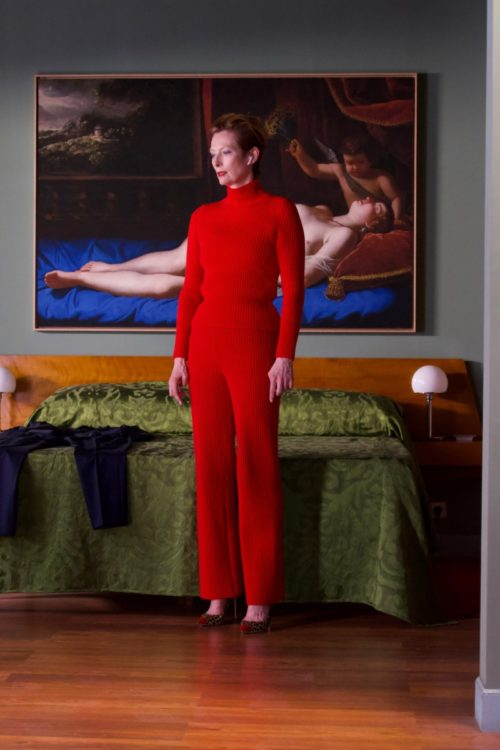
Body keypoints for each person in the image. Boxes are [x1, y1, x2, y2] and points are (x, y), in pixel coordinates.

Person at [168, 113, 305, 635]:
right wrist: (179, 357)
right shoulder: (203, 217)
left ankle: (260, 598)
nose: (216, 162)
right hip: (205, 345)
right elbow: (190, 291)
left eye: (225, 152)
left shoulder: (279, 211)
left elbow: (294, 290)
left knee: (256, 464)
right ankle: (219, 592)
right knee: (211, 466)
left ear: (251, 155)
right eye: (212, 154)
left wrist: (284, 355)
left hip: (256, 346)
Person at [44, 196, 392, 296]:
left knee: (171, 285)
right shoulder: (326, 210)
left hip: (250, 264)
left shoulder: (344, 235)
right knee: (176, 259)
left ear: (373, 224)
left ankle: (82, 278)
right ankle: (111, 268)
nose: (368, 199)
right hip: (237, 233)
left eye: (377, 206)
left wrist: (268, 279)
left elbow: (308, 273)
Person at [287, 132, 405, 220]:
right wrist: (299, 154)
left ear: (370, 160)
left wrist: (395, 220)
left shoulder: (381, 179)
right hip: (355, 222)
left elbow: (396, 198)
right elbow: (314, 170)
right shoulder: (340, 171)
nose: (355, 167)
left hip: (378, 223)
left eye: (361, 162)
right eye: (350, 162)